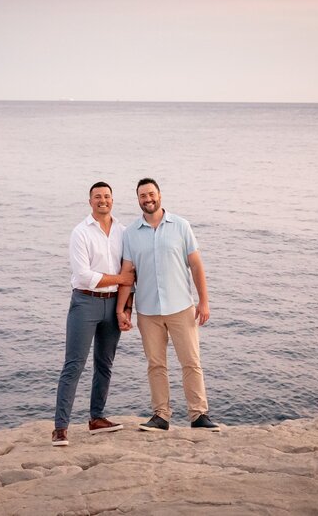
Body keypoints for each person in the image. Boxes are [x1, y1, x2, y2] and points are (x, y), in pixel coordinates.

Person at [117, 178, 220, 432]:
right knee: (156, 364)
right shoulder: (130, 233)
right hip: (148, 311)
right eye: (143, 196)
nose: (148, 199)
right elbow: (128, 274)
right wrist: (123, 309)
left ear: (160, 196)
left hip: (181, 307)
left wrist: (204, 302)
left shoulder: (181, 226)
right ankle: (161, 416)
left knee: (191, 361)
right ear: (138, 200)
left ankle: (198, 415)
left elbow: (196, 265)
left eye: (151, 194)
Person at [52, 181, 135, 447]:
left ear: (113, 200)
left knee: (105, 364)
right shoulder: (80, 232)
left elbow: (130, 274)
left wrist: (125, 309)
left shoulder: (123, 232)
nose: (103, 200)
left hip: (114, 304)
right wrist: (119, 278)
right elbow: (84, 276)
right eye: (97, 196)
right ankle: (60, 428)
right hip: (85, 303)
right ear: (90, 202)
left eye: (107, 196)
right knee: (74, 365)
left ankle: (97, 418)